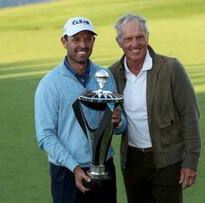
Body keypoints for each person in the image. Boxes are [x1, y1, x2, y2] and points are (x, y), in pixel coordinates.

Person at [109, 14, 201, 203]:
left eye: (140, 37)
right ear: (119, 43)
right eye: (128, 39)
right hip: (132, 162)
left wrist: (191, 161)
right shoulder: (112, 74)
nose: (135, 44)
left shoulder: (171, 68)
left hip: (168, 161)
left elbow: (190, 115)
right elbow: (114, 121)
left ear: (147, 37)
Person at [34, 16, 126, 203]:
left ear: (93, 41)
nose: (82, 45)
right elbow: (45, 136)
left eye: (88, 38)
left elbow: (120, 125)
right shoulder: (50, 84)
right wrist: (74, 167)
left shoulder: (104, 76)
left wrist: (118, 122)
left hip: (104, 167)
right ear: (64, 41)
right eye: (76, 39)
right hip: (67, 172)